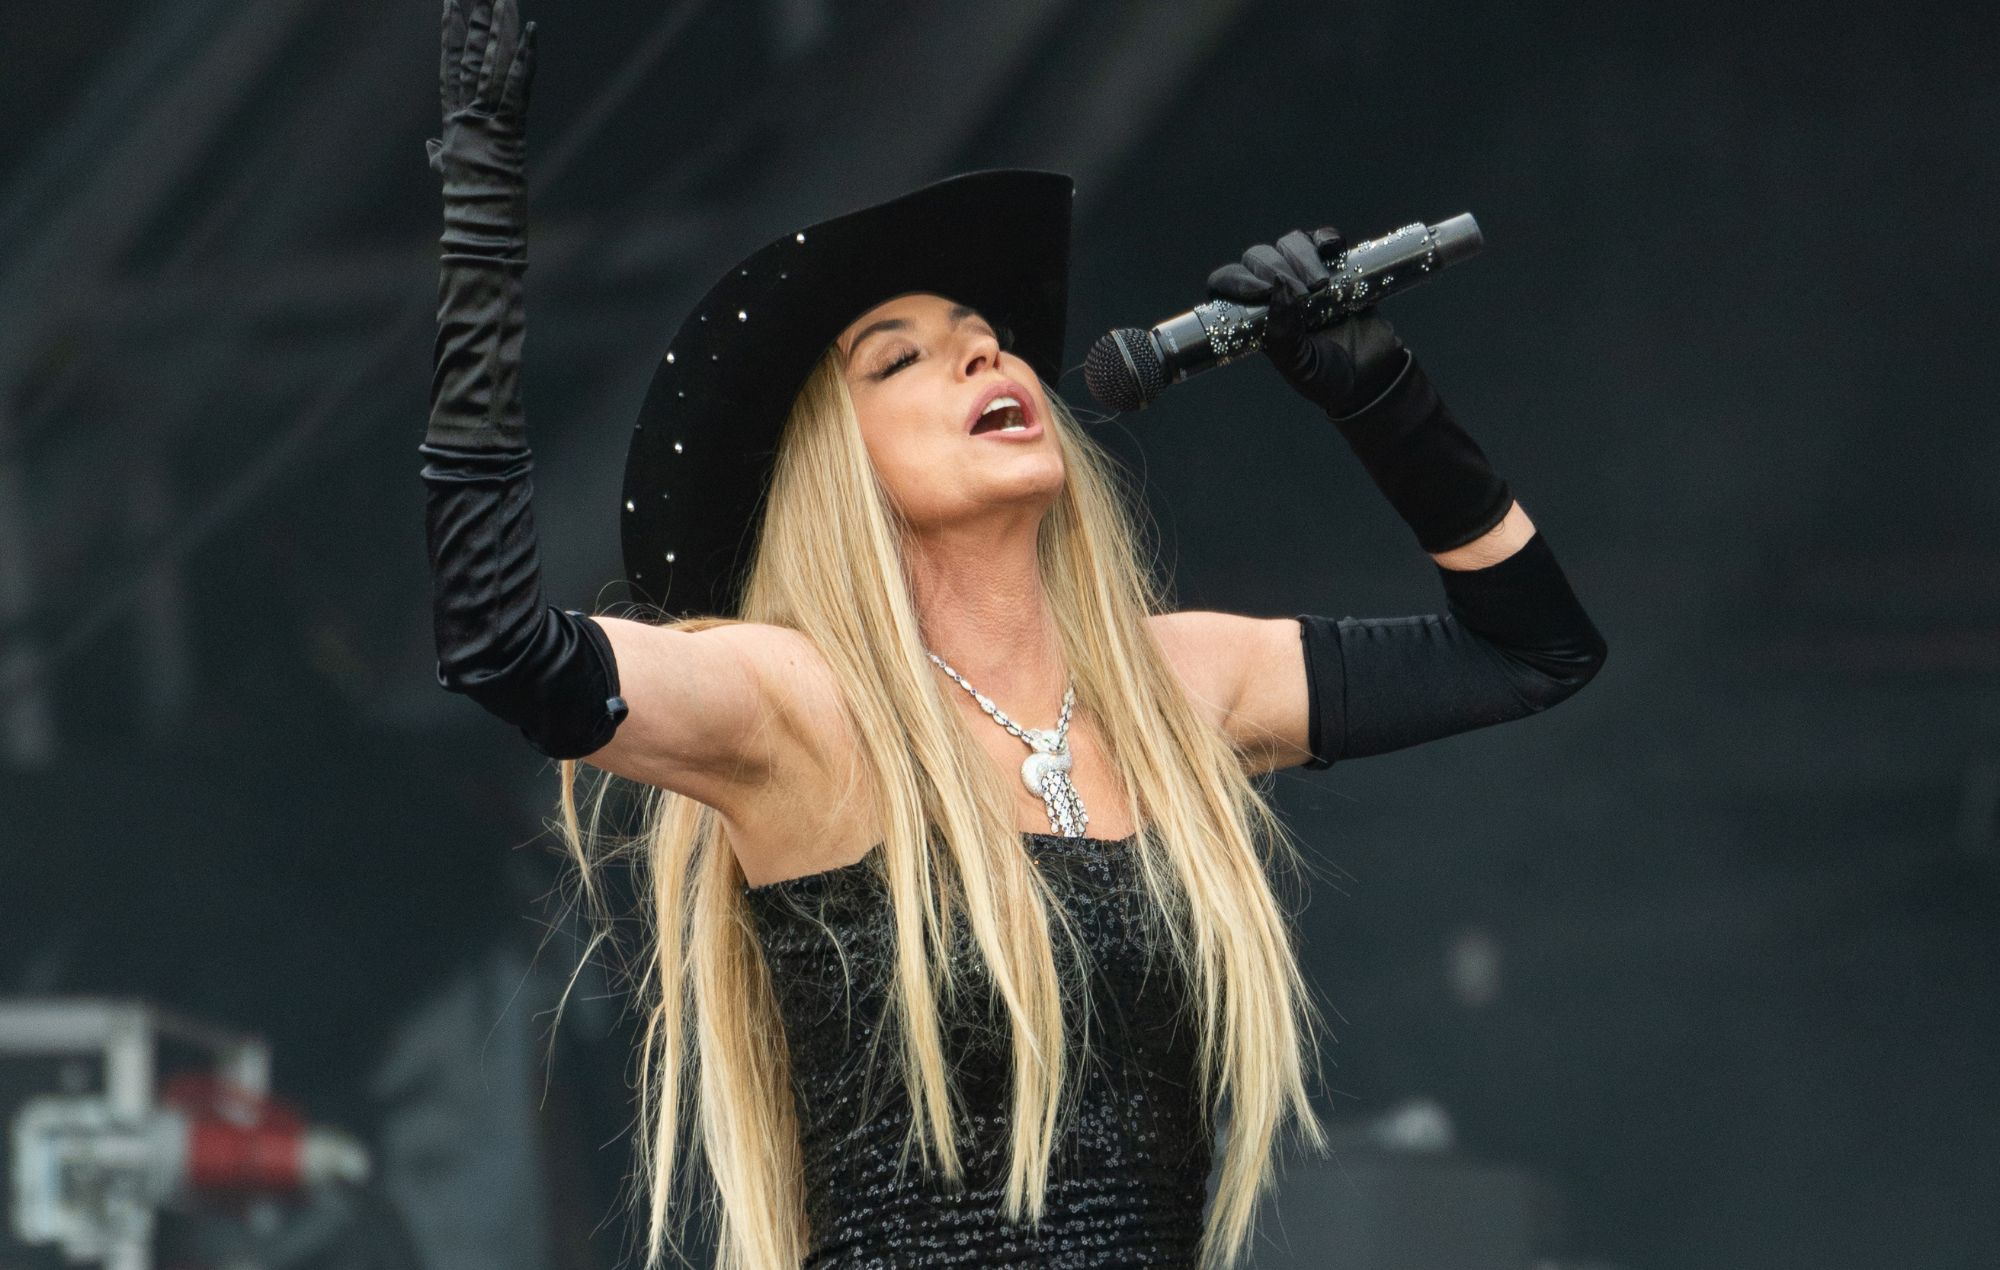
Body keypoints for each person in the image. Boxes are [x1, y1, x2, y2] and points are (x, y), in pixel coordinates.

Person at [418, 4, 1607, 1268]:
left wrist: (1379, 394)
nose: (980, 348)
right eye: (901, 359)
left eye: (979, 334)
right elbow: (499, 643)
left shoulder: (1175, 687)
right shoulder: (804, 710)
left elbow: (1530, 650)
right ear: (838, 473)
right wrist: (484, 211)